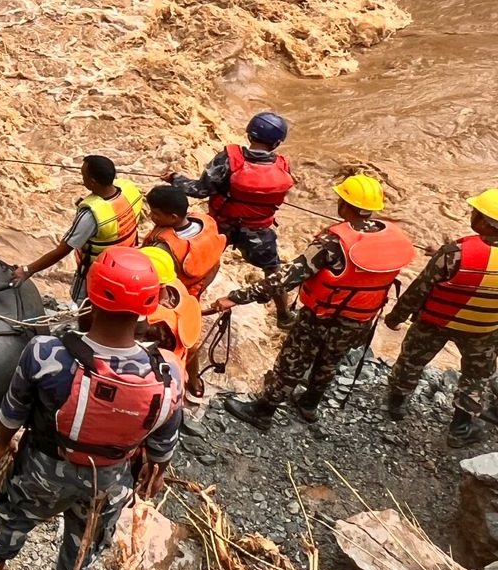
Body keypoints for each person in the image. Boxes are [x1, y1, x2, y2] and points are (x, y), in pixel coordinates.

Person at [0, 247, 184, 570]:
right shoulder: (168, 373)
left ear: (90, 295)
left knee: (13, 516)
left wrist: (1, 446)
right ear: (148, 306)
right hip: (109, 478)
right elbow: (162, 446)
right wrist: (158, 472)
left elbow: (13, 410)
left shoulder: (46, 352)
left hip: (43, 469)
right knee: (86, 543)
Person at [205, 175, 415, 428]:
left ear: (344, 205)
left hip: (322, 316)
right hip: (360, 318)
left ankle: (263, 411)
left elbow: (286, 278)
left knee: (292, 360)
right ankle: (309, 404)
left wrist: (236, 297)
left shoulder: (333, 243)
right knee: (330, 360)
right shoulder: (391, 238)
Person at [383, 189, 498, 447]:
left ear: (484, 222)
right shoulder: (452, 252)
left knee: (412, 361)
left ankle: (397, 405)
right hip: (483, 330)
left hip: (436, 322)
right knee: (476, 376)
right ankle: (460, 428)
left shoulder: (455, 253)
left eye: (475, 212)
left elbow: (419, 289)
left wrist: (395, 317)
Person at [165, 112, 294, 321]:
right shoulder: (282, 164)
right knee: (273, 270)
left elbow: (200, 190)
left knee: (208, 261)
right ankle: (284, 314)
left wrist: (175, 179)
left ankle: (185, 305)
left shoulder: (229, 158)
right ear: (277, 143)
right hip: (258, 230)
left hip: (222, 224)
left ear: (249, 135)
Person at [14, 156, 145, 305]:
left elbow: (62, 251)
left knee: (84, 305)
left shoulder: (90, 216)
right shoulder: (130, 189)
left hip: (98, 274)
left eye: (84, 176)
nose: (82, 179)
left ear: (93, 182)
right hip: (127, 266)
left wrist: (27, 270)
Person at [140, 245, 206, 393]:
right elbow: (193, 347)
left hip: (161, 380)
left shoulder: (154, 323)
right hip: (179, 365)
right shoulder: (176, 286)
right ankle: (193, 382)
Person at [142, 185, 226, 299]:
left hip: (178, 291)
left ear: (173, 217)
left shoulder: (163, 248)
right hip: (202, 282)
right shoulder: (205, 221)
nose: (151, 216)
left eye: (155, 214)